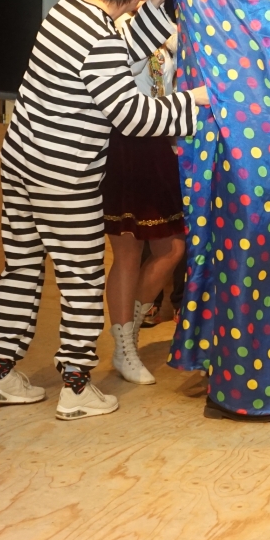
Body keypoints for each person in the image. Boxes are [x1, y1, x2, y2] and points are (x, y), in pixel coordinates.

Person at [0, 0, 206, 421]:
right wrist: (194, 102)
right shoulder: (102, 41)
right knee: (81, 276)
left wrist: (153, 6)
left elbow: (116, 53)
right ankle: (77, 387)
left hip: (20, 163)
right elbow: (133, 114)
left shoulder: (65, 14)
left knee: (21, 268)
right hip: (64, 173)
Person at [103, 27, 186, 386]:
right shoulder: (120, 29)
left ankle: (131, 329)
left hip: (159, 143)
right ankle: (124, 346)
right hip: (126, 141)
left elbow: (170, 86)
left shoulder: (167, 36)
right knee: (128, 252)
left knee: (173, 248)